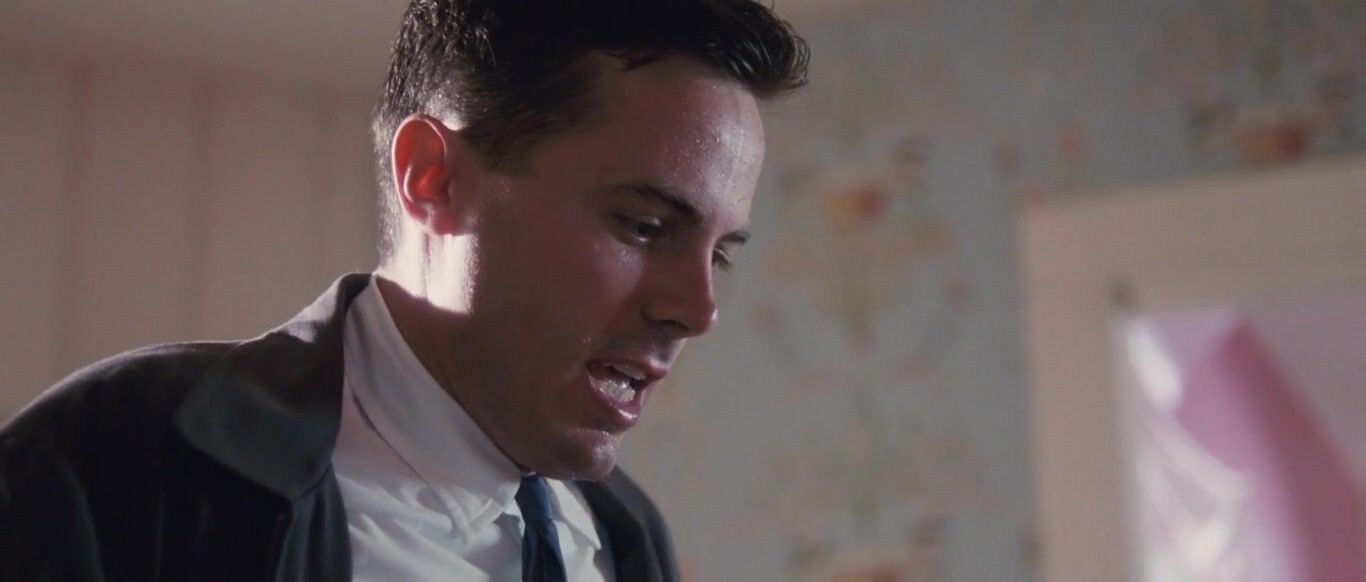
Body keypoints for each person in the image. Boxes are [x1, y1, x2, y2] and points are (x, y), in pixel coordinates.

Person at [0, 1, 807, 580]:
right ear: (433, 177)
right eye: (642, 225)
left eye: (720, 255)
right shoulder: (119, 457)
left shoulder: (625, 537)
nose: (696, 311)